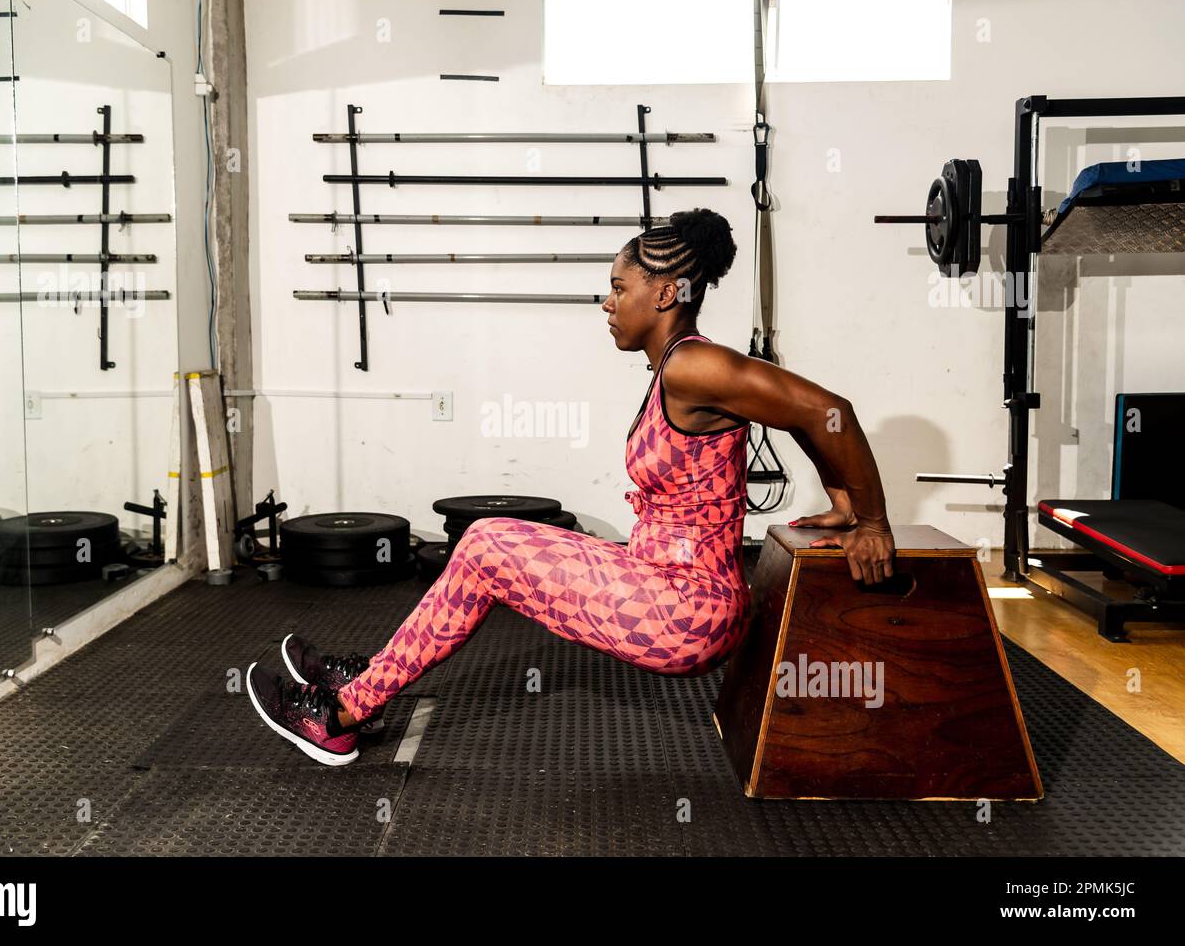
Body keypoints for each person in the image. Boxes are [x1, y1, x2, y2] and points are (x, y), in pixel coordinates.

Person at [248, 208, 896, 765]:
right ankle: (368, 684)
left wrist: (870, 519)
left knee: (484, 546)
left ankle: (337, 719)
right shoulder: (680, 366)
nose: (608, 302)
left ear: (666, 293)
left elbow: (826, 409)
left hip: (686, 610)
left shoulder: (695, 364)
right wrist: (841, 497)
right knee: (487, 543)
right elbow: (806, 413)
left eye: (620, 287)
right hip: (660, 579)